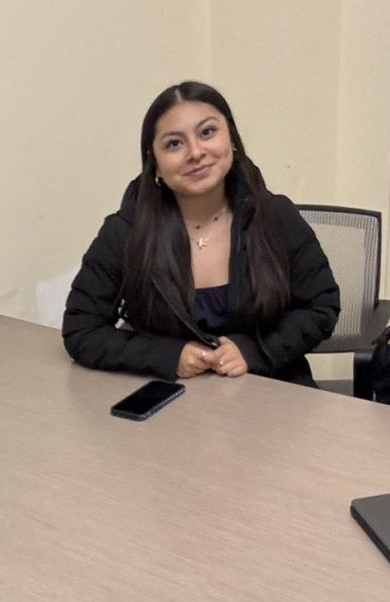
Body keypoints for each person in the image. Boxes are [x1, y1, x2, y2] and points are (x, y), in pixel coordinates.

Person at [62, 81, 340, 386]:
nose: (195, 152)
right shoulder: (127, 231)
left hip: (272, 389)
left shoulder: (276, 216)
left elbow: (320, 307)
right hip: (172, 397)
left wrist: (254, 351)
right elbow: (82, 330)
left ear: (231, 137)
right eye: (174, 144)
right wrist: (168, 356)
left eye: (207, 132)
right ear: (155, 163)